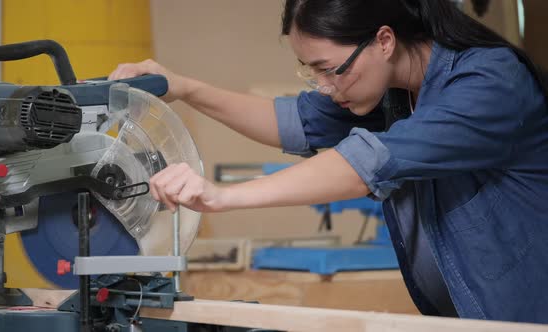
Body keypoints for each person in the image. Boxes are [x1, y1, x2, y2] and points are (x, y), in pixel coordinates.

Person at [109, 0, 548, 323]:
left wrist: (220, 197)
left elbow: (367, 163)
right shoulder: (395, 91)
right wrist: (183, 87)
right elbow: (292, 121)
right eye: (309, 70)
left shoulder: (489, 83)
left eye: (328, 68)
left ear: (384, 40)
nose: (322, 86)